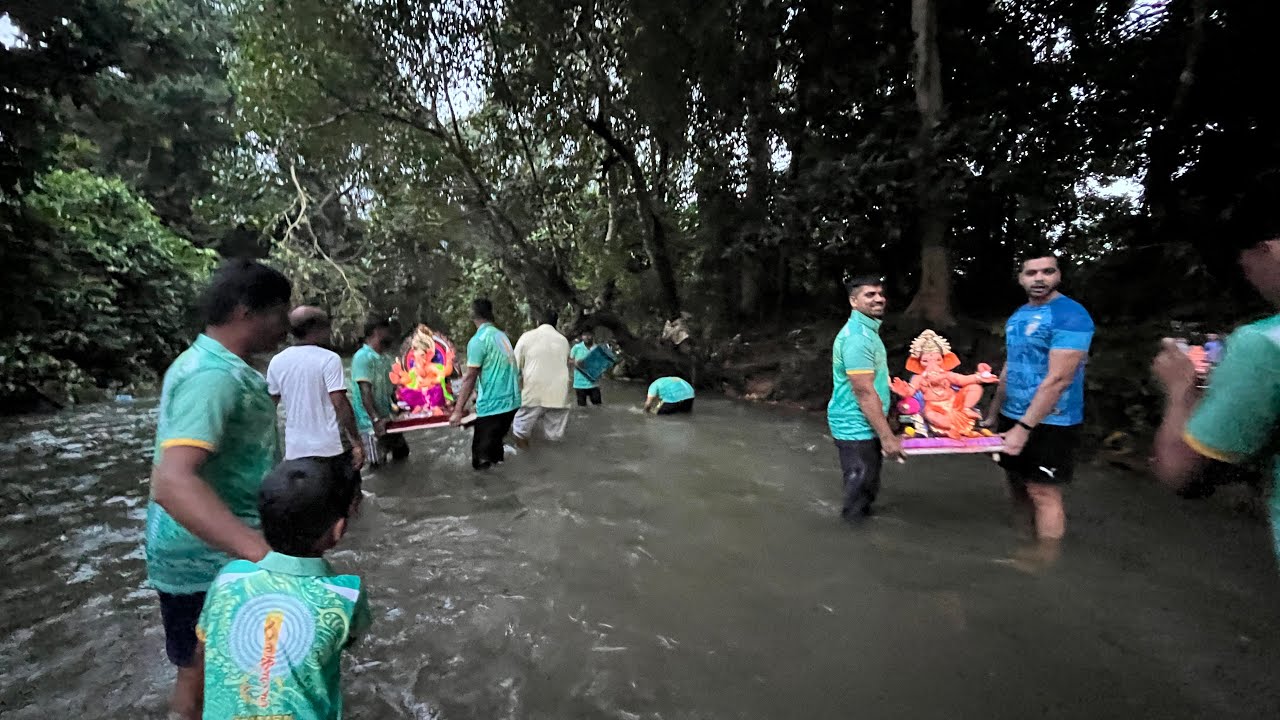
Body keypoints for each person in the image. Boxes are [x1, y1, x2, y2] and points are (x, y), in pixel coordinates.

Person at [145, 258, 291, 719]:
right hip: (207, 560)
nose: (286, 325)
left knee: (200, 671)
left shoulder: (207, 364)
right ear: (248, 312)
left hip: (203, 551)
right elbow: (171, 482)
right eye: (280, 312)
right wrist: (261, 552)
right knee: (212, 677)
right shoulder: (214, 378)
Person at [1152, 182, 1280, 561]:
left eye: (1245, 265)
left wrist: (1179, 389)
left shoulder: (1264, 343)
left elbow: (1180, 471)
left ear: (1267, 250)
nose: (1249, 278)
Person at [197, 457, 371, 718]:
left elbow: (204, 646)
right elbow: (350, 638)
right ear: (338, 529)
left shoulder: (228, 578)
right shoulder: (345, 594)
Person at [986, 254, 1094, 547]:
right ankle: (1022, 540)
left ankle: (1044, 562)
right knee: (1016, 482)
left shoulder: (1071, 315)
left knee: (1043, 492)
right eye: (1031, 273)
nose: (1039, 278)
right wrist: (995, 412)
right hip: (1012, 413)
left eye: (1047, 272)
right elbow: (1012, 364)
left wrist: (1023, 428)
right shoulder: (1019, 315)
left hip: (1052, 420)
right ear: (1021, 278)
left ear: (1058, 276)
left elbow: (1060, 379)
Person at [828, 275, 903, 524]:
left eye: (880, 294)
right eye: (869, 295)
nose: (878, 298)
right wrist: (887, 437)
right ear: (853, 301)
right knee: (859, 489)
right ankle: (851, 543)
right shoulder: (857, 338)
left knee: (867, 485)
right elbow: (863, 391)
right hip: (854, 423)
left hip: (865, 420)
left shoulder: (868, 331)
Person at [266, 306, 364, 473]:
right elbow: (339, 402)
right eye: (327, 326)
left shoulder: (277, 362)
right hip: (331, 449)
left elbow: (268, 407)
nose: (330, 331)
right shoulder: (329, 359)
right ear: (316, 329)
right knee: (347, 497)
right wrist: (356, 441)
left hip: (295, 452)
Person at [450, 298, 521, 469]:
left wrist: (458, 411)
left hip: (494, 406)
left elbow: (470, 377)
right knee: (495, 453)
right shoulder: (501, 336)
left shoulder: (479, 340)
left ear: (472, 315)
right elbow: (494, 369)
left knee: (482, 464)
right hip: (511, 404)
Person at [350, 319, 408, 468]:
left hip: (387, 419)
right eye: (387, 330)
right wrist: (375, 420)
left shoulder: (385, 358)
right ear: (377, 331)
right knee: (377, 466)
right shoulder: (362, 357)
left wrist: (402, 408)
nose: (390, 334)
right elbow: (365, 391)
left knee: (402, 454)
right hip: (370, 424)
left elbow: (392, 391)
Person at [512, 309, 573, 447]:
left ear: (538, 322)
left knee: (519, 429)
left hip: (534, 392)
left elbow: (513, 367)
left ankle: (525, 458)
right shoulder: (563, 341)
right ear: (556, 323)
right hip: (559, 394)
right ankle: (554, 464)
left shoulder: (527, 337)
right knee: (554, 436)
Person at [571, 330, 603, 406]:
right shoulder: (576, 347)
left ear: (593, 336)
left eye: (589, 335)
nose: (587, 337)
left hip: (594, 383)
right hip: (579, 383)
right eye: (584, 335)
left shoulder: (597, 348)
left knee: (598, 406)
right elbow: (569, 360)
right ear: (581, 336)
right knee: (582, 408)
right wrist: (577, 363)